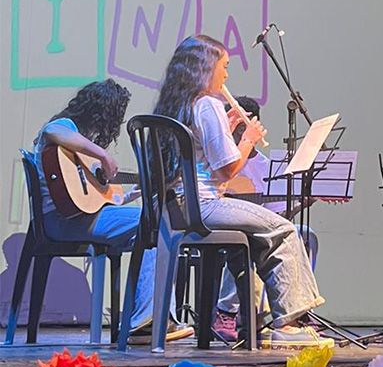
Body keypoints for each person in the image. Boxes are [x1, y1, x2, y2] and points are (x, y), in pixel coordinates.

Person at [153, 35, 332, 349]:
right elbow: (226, 170)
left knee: (254, 239)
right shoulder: (207, 104)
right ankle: (288, 325)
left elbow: (201, 154)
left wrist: (224, 125)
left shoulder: (176, 104)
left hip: (173, 207)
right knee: (283, 230)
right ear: (206, 68)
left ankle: (252, 321)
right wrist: (247, 138)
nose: (226, 74)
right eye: (224, 66)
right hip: (201, 206)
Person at [32, 79, 193, 344]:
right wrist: (104, 155)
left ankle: (150, 317)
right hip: (64, 222)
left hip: (79, 219)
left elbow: (96, 202)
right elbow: (52, 130)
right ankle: (145, 321)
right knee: (159, 223)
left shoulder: (81, 151)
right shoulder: (65, 126)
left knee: (154, 228)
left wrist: (137, 192)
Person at [211, 95, 316, 342]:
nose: (239, 133)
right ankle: (227, 311)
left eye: (244, 126)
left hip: (261, 225)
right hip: (226, 224)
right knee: (243, 237)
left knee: (304, 233)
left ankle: (298, 311)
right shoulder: (221, 159)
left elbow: (279, 217)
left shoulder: (268, 167)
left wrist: (305, 201)